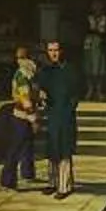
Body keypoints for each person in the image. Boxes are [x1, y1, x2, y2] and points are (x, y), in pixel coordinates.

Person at [33, 38, 80, 198]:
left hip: (66, 115)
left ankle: (64, 187)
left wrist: (70, 108)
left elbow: (77, 92)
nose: (53, 53)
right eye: (51, 50)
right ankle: (52, 183)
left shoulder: (71, 70)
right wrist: (41, 94)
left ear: (62, 51)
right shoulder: (46, 71)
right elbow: (39, 87)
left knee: (64, 150)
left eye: (56, 50)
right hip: (52, 114)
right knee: (52, 149)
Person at [0, 81, 40, 190]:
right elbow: (25, 100)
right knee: (15, 149)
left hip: (25, 116)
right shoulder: (22, 77)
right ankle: (7, 181)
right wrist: (33, 119)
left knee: (27, 146)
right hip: (21, 117)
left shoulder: (30, 76)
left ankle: (27, 173)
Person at [80, 3, 106, 100]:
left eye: (99, 7)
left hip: (100, 45)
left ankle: (99, 90)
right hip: (89, 44)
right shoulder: (88, 19)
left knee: (100, 68)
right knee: (88, 67)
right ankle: (90, 89)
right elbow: (85, 30)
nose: (97, 9)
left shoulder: (105, 19)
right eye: (95, 7)